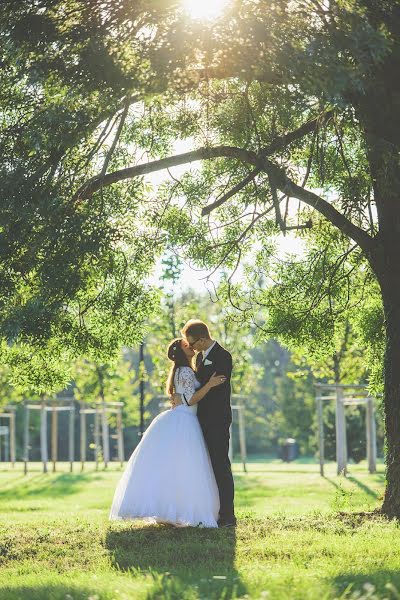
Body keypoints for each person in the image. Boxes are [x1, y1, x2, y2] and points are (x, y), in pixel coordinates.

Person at [109, 337, 226, 527]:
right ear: (182, 352)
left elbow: (183, 396)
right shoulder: (186, 371)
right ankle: (180, 510)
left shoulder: (181, 370)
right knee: (185, 466)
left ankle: (173, 510)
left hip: (181, 417)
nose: (191, 346)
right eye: (187, 345)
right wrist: (210, 385)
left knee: (176, 466)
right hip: (185, 419)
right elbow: (191, 399)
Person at [170, 319, 236, 528]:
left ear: (203, 338)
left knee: (220, 465)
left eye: (193, 342)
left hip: (216, 420)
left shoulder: (223, 356)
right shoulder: (198, 358)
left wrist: (189, 397)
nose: (192, 347)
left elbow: (216, 389)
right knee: (204, 467)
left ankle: (228, 515)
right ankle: (209, 511)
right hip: (197, 420)